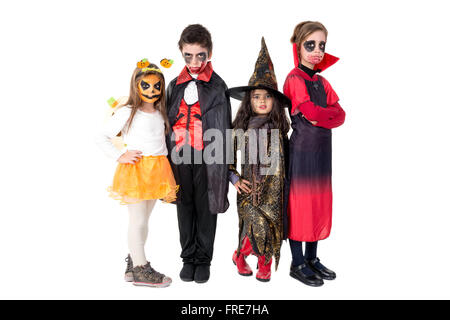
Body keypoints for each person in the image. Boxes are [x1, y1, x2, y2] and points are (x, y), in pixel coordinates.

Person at [96, 60, 177, 287]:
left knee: (145, 220)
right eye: (146, 86)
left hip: (157, 172)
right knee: (138, 219)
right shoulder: (128, 112)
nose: (152, 91)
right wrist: (119, 155)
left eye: (157, 86)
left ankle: (134, 261)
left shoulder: (161, 112)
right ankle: (141, 268)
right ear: (136, 86)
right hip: (136, 171)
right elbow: (100, 137)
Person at [165, 24, 232, 284]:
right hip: (180, 156)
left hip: (208, 156)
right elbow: (166, 120)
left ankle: (203, 259)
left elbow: (224, 125)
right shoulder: (173, 85)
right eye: (188, 56)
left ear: (210, 53)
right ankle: (188, 257)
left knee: (206, 208)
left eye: (200, 55)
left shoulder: (218, 86)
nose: (194, 62)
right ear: (181, 52)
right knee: (184, 206)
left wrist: (226, 166)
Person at [283, 21, 346, 287]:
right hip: (303, 153)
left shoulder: (322, 81)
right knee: (301, 206)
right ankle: (297, 262)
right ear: (298, 47)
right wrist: (324, 116)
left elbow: (341, 115)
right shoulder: (294, 79)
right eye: (311, 45)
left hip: (323, 154)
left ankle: (312, 258)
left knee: (319, 204)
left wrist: (326, 117)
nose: (317, 50)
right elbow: (310, 112)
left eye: (322, 45)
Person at [228, 37, 290, 282]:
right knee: (251, 226)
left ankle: (265, 262)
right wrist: (234, 178)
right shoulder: (241, 127)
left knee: (270, 228)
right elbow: (226, 156)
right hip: (249, 189)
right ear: (249, 100)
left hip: (273, 191)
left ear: (275, 101)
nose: (262, 101)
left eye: (267, 96)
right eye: (256, 97)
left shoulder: (280, 129)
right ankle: (241, 254)